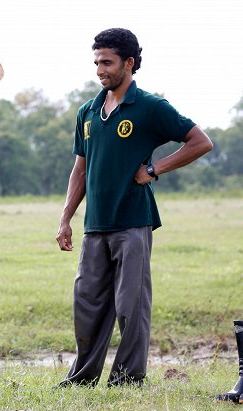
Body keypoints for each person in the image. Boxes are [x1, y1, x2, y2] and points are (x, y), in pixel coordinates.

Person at [55, 28, 213, 387]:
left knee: (130, 307)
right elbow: (80, 168)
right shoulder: (88, 111)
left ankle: (127, 379)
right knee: (87, 304)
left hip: (132, 222)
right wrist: (66, 217)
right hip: (95, 225)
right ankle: (81, 378)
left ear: (129, 63)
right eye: (96, 62)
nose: (100, 70)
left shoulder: (150, 107)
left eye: (107, 62)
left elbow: (199, 142)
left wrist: (155, 169)